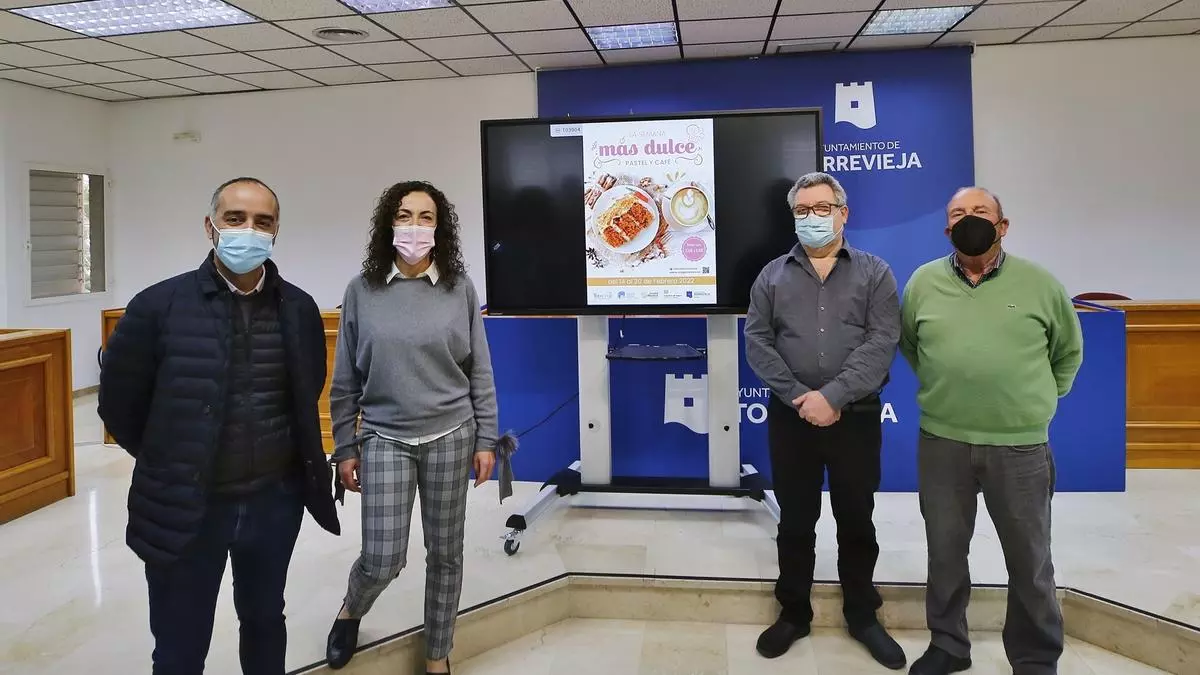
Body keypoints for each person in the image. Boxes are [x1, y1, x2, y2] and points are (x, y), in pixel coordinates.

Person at [98, 177, 340, 675]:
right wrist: (174, 457)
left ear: (276, 232)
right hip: (187, 507)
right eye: (235, 219)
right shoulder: (157, 307)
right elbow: (119, 406)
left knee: (265, 621)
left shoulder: (298, 309)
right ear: (211, 227)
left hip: (273, 503)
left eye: (262, 222)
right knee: (180, 646)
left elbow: (306, 390)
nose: (248, 231)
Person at [900, 187, 1083, 675]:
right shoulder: (922, 282)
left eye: (981, 211)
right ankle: (948, 646)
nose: (969, 219)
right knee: (944, 553)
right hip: (943, 442)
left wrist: (1033, 403)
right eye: (958, 214)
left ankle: (1035, 656)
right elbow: (913, 346)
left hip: (1020, 446)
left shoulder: (1040, 284)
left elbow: (1068, 353)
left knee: (1029, 559)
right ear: (947, 230)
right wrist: (951, 390)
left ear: (1003, 226)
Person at [325, 181, 498, 675]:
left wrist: (487, 437)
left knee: (445, 554)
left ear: (440, 228)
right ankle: (351, 609)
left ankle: (437, 654)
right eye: (404, 216)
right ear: (389, 224)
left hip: (452, 433)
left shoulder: (459, 288)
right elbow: (345, 379)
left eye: (426, 217)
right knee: (382, 557)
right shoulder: (362, 291)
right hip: (384, 436)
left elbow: (480, 370)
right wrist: (344, 446)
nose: (415, 227)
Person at [744, 172, 906, 669]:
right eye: (802, 210)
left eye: (822, 208)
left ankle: (862, 614)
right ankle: (794, 613)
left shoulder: (875, 273)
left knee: (856, 518)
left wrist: (832, 396)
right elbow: (757, 342)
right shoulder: (771, 275)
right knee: (795, 521)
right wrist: (801, 398)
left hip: (855, 417)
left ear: (843, 213)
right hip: (790, 418)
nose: (812, 218)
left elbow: (882, 342)